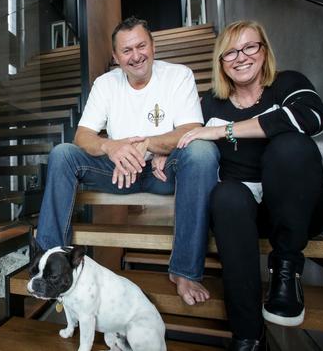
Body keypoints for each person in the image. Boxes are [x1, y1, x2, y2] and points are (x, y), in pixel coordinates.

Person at [35, 16, 219, 306]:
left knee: (202, 152)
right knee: (62, 154)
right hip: (118, 172)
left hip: (163, 171)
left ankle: (185, 270)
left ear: (153, 46)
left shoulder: (178, 75)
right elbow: (82, 136)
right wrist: (111, 147)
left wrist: (152, 145)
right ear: (115, 57)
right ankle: (50, 260)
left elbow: (190, 130)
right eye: (126, 50)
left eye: (141, 46)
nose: (136, 56)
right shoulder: (105, 84)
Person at [178, 20, 323, 350]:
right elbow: (187, 141)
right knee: (225, 195)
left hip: (301, 208)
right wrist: (164, 154)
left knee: (290, 146)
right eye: (230, 52)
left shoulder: (287, 83)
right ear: (221, 62)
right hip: (246, 214)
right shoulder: (210, 105)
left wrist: (225, 131)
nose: (241, 57)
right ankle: (247, 335)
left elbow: (312, 118)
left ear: (264, 51)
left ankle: (286, 271)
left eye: (250, 47)